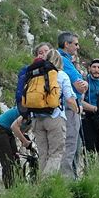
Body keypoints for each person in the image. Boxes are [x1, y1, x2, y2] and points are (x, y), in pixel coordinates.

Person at [31, 49, 77, 178]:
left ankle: (40, 185)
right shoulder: (61, 75)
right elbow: (69, 99)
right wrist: (77, 110)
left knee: (43, 154)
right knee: (56, 153)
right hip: (55, 117)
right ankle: (46, 184)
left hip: (36, 117)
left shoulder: (36, 74)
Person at [57, 32, 88, 179]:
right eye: (75, 44)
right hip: (69, 108)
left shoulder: (56, 60)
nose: (78, 47)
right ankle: (67, 180)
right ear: (66, 44)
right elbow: (80, 87)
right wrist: (85, 86)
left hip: (54, 109)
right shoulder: (65, 61)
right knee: (70, 144)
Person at [0, 106, 35, 188]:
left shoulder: (27, 110)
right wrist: (25, 141)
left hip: (6, 131)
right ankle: (10, 188)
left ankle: (19, 186)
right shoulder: (26, 111)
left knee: (16, 160)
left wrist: (26, 142)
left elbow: (20, 131)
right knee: (8, 162)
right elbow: (14, 127)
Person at [80, 58, 99, 153]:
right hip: (87, 117)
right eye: (94, 67)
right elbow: (80, 101)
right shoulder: (84, 81)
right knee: (89, 147)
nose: (96, 69)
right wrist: (94, 108)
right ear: (89, 68)